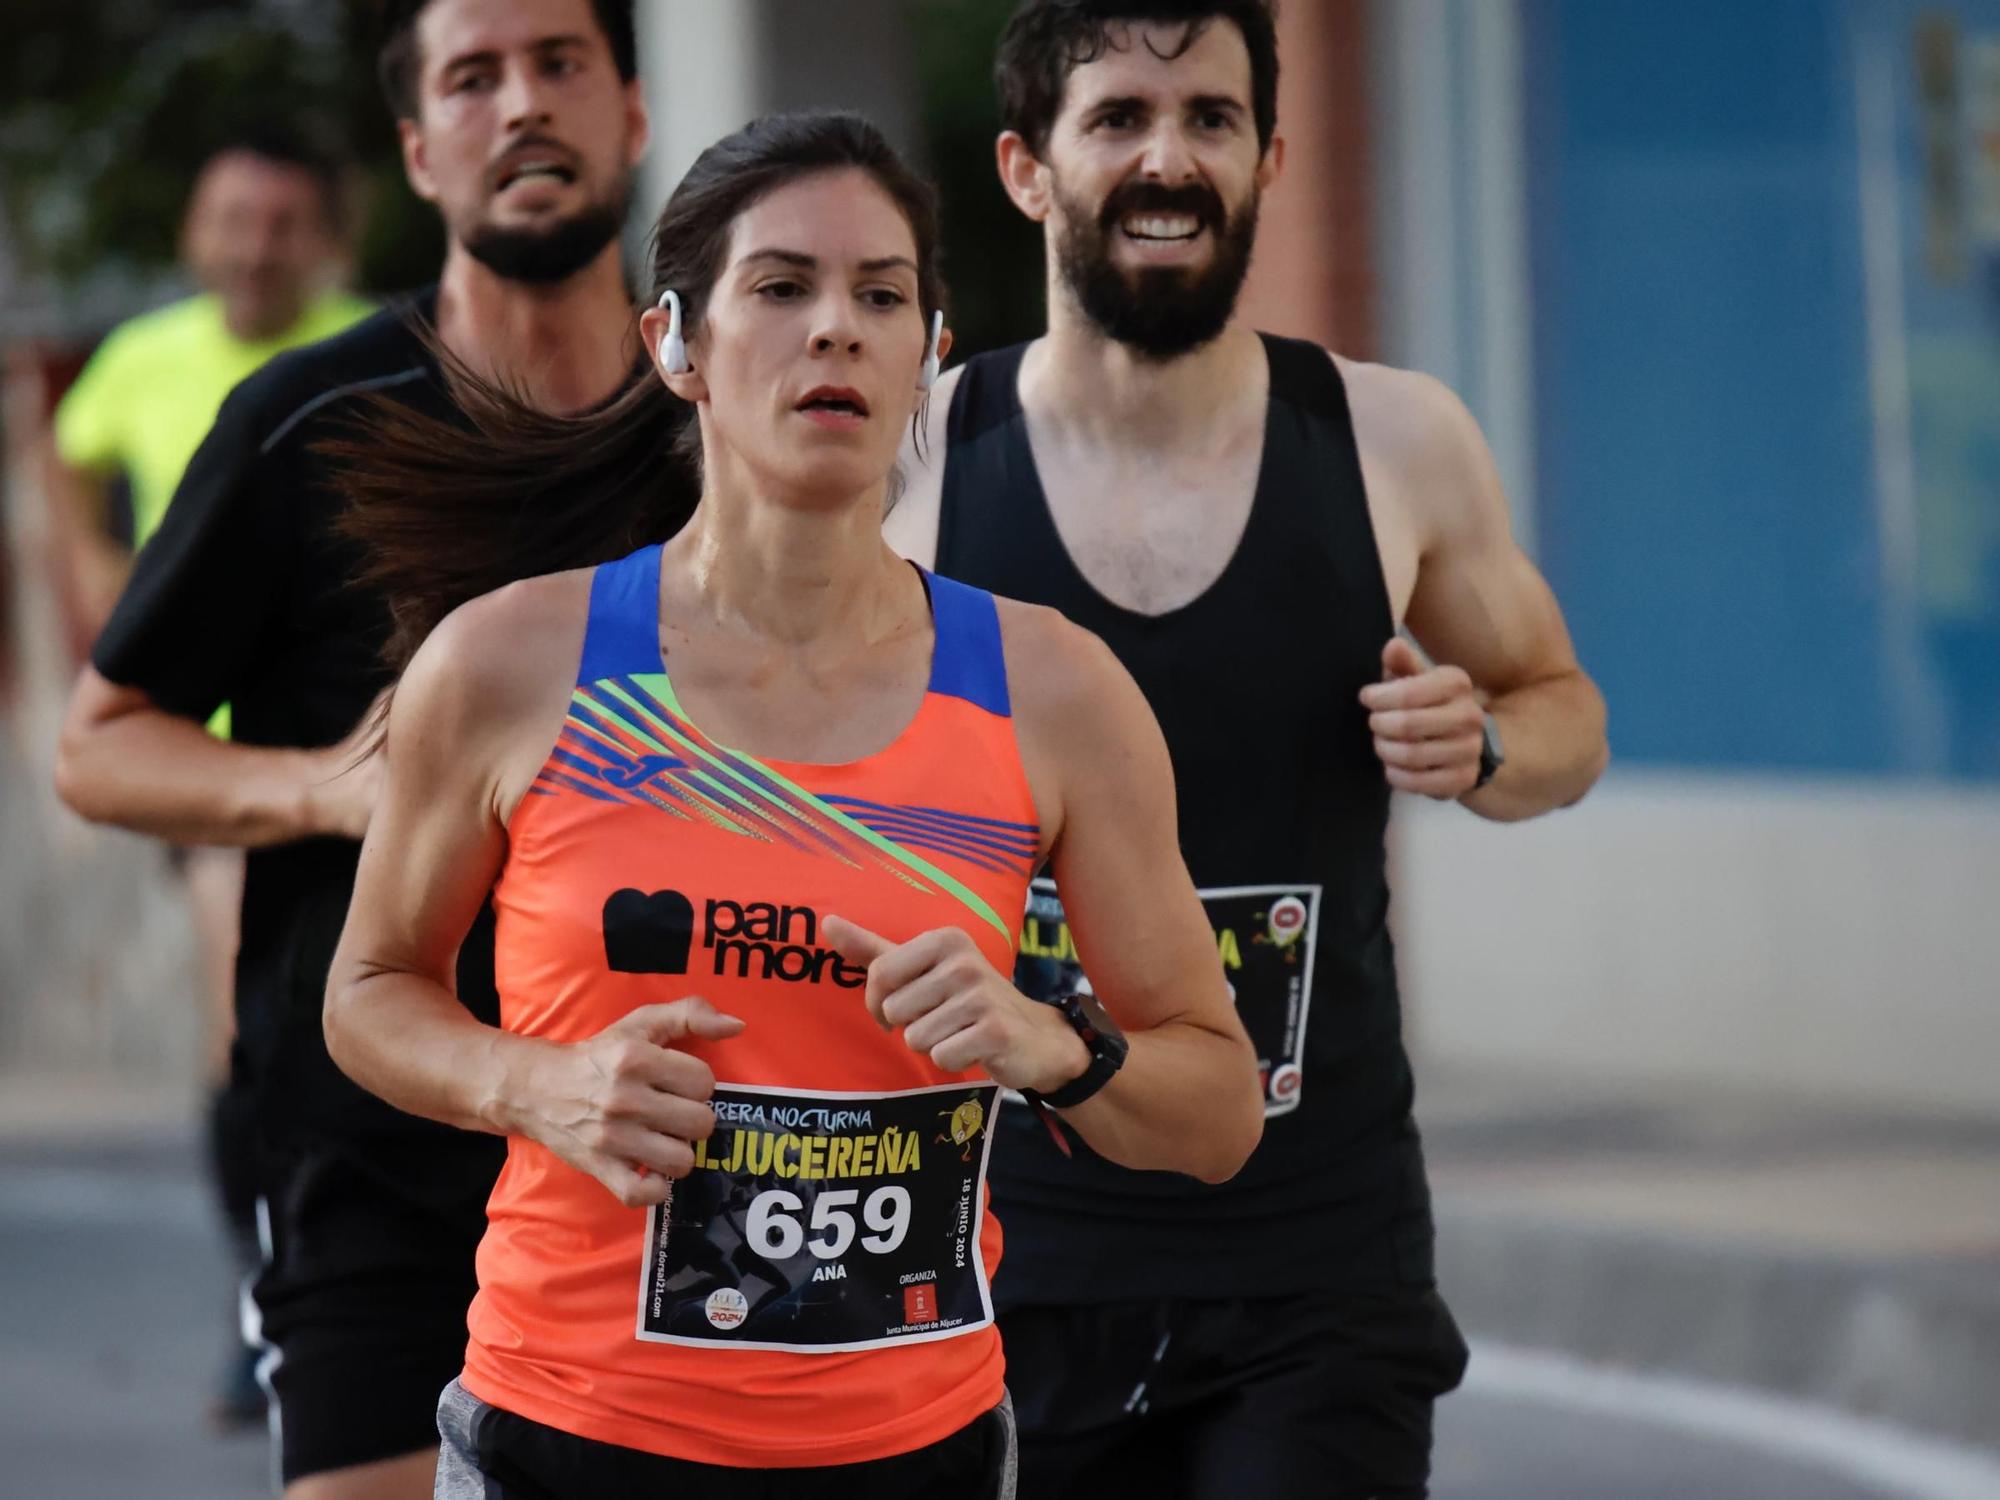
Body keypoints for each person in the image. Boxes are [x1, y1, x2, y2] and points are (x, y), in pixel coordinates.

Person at [321, 109, 1264, 1500]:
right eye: (781, 288)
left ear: (932, 354)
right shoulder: (514, 662)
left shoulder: (1055, 693)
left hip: (915, 1457)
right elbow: (369, 991)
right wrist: (541, 1083)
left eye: (883, 296)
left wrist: (1053, 1046)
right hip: (569, 1439)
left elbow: (1219, 1108)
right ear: (674, 344)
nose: (838, 329)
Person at [886, 3, 1611, 1496]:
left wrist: (1479, 740)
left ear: (1275, 154)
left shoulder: (1394, 440)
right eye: (1120, 121)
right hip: (1007, 1246)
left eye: (1211, 119)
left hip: (1319, 1255)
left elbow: (1566, 717)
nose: (1171, 158)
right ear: (1027, 169)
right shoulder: (918, 459)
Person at [54, 2, 651, 1494]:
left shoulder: (720, 428)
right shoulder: (305, 423)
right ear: (419, 151)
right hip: (373, 1165)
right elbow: (100, 747)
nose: (522, 104)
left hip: (662, 1164)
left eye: (560, 63)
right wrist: (318, 786)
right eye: (474, 77)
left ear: (633, 113)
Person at [46, 119, 372, 1432]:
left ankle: (376, 1286)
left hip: (375, 744)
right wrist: (99, 595)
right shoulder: (138, 359)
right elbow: (67, 461)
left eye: (284, 223)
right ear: (194, 232)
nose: (255, 246)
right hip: (220, 760)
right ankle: (270, 1299)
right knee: (248, 1025)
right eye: (234, 219)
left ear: (328, 237)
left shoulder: (368, 351)